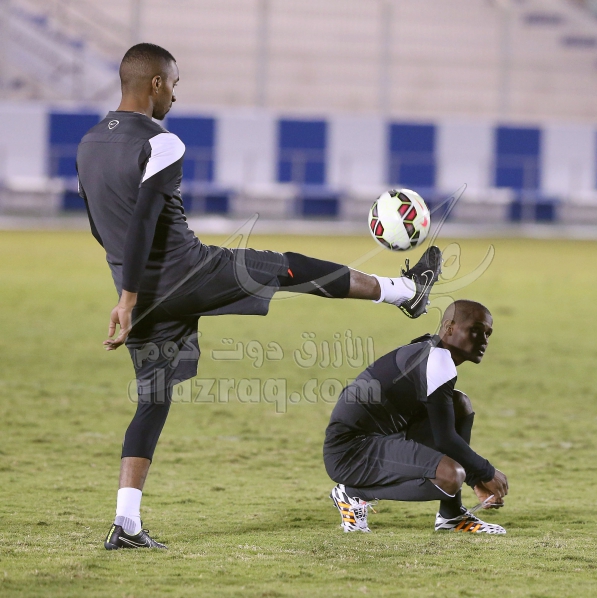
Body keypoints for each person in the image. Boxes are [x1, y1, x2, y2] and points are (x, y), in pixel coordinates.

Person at [76, 43, 443, 550]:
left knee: (153, 400)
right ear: (155, 83)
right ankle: (406, 292)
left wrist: (127, 291)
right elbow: (142, 222)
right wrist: (131, 293)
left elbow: (101, 227)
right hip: (187, 272)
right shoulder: (163, 143)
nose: (175, 97)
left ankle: (127, 523)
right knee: (291, 267)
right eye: (174, 85)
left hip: (141, 296)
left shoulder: (88, 143)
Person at [324, 300, 509, 534]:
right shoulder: (438, 360)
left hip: (383, 437)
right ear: (449, 327)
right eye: (475, 330)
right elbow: (445, 439)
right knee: (451, 475)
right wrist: (486, 473)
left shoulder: (431, 351)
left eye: (488, 333)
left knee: (459, 403)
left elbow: (443, 429)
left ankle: (451, 516)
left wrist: (475, 479)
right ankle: (352, 494)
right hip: (350, 452)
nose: (483, 340)